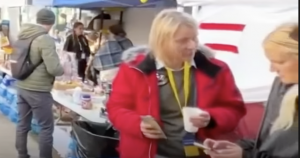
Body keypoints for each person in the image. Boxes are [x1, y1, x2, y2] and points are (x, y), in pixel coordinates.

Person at [106, 9, 246, 158]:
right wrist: (137, 124)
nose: (192, 45)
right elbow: (116, 108)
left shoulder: (216, 69)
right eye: (183, 40)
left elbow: (235, 109)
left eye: (195, 38)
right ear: (162, 41)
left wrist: (211, 118)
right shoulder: (134, 69)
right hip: (147, 153)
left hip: (200, 152)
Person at [203, 24, 298, 158]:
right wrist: (240, 148)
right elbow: (268, 142)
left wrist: (245, 155)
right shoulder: (282, 85)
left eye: (280, 62)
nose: (272, 69)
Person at [15, 9, 64, 158]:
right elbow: (54, 68)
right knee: (46, 128)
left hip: (22, 85)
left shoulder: (23, 34)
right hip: (38, 90)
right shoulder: (45, 39)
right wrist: (63, 69)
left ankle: (22, 154)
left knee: (23, 124)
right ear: (51, 22)